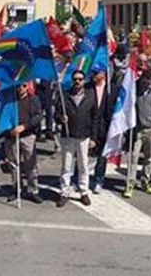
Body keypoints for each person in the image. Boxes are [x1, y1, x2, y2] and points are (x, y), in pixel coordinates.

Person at [55, 70, 98, 207]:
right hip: (68, 135)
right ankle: (64, 192)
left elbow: (95, 117)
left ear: (84, 81)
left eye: (80, 79)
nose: (77, 82)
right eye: (75, 79)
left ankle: (84, 192)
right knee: (66, 166)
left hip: (84, 135)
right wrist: (61, 118)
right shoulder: (65, 95)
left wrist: (93, 137)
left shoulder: (90, 95)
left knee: (83, 165)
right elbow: (56, 114)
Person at [124, 69, 151, 198]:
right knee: (133, 157)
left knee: (148, 157)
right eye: (144, 81)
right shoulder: (134, 91)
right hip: (137, 129)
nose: (146, 84)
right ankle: (130, 183)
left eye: (148, 81)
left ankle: (145, 181)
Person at [5, 82, 43, 204]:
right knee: (13, 164)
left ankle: (33, 190)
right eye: (18, 86)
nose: (20, 88)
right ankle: (17, 189)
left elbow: (38, 117)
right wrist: (9, 129)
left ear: (28, 87)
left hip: (28, 135)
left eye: (23, 85)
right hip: (12, 136)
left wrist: (24, 126)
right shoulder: (10, 100)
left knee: (31, 164)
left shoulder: (34, 99)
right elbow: (4, 117)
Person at [87, 69, 114, 193]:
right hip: (88, 125)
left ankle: (99, 180)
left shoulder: (112, 89)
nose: (94, 75)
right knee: (83, 154)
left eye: (97, 72)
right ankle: (77, 179)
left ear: (103, 74)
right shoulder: (88, 87)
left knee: (102, 156)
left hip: (105, 126)